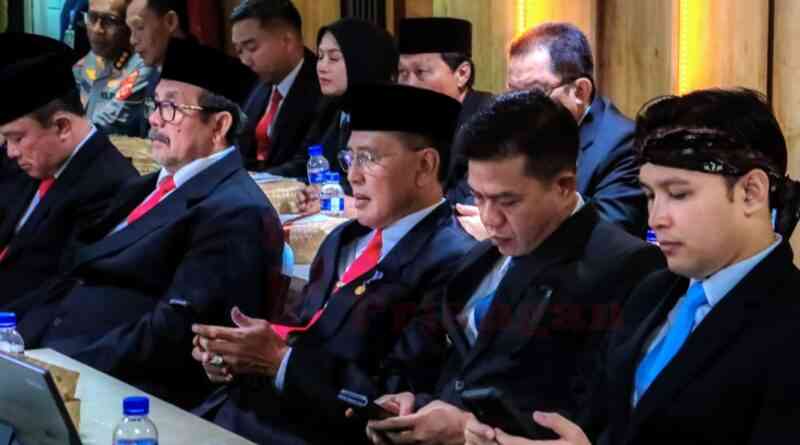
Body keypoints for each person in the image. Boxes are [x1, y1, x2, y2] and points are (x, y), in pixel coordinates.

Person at [464, 88, 800, 445]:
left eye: (679, 194)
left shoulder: (788, 323)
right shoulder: (651, 293)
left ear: (751, 192)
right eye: (650, 195)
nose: (656, 219)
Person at [366, 90, 665, 445]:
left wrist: (465, 428)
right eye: (478, 197)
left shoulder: (625, 267)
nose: (489, 218)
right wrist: (417, 404)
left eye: (507, 201)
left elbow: (591, 414)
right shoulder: (480, 257)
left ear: (564, 186)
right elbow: (460, 369)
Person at [191, 84, 477, 444]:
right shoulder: (344, 238)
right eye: (349, 158)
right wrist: (238, 354)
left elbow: (394, 398)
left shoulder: (453, 261)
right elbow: (302, 331)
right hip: (243, 412)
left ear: (425, 165)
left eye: (369, 158)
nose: (352, 175)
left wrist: (279, 360)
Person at [10, 37, 284, 409]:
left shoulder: (234, 210)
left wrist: (65, 366)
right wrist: (16, 337)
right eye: (155, 105)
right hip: (50, 346)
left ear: (219, 125)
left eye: (171, 108)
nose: (154, 119)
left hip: (116, 384)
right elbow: (72, 273)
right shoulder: (145, 186)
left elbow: (173, 332)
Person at [460, 22, 647, 241]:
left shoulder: (623, 143)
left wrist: (505, 233)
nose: (520, 106)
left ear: (580, 91)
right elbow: (470, 202)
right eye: (513, 92)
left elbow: (613, 232)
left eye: (533, 92)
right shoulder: (511, 131)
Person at [0, 33, 137, 309]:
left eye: (17, 138)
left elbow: (62, 291)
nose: (11, 151)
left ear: (62, 126)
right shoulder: (35, 163)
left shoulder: (111, 187)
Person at [397, 17, 493, 204]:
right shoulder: (406, 120)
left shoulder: (490, 119)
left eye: (421, 72)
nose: (409, 84)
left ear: (462, 74)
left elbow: (469, 199)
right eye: (403, 73)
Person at [231, 0, 323, 176]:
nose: (245, 61)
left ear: (287, 41)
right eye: (239, 51)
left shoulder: (322, 87)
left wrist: (256, 180)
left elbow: (305, 163)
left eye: (251, 48)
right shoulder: (260, 82)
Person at [74, 0, 155, 136]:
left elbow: (107, 122)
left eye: (110, 20)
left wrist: (67, 132)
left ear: (130, 25)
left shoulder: (144, 65)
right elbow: (69, 104)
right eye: (92, 17)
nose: (97, 29)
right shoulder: (97, 54)